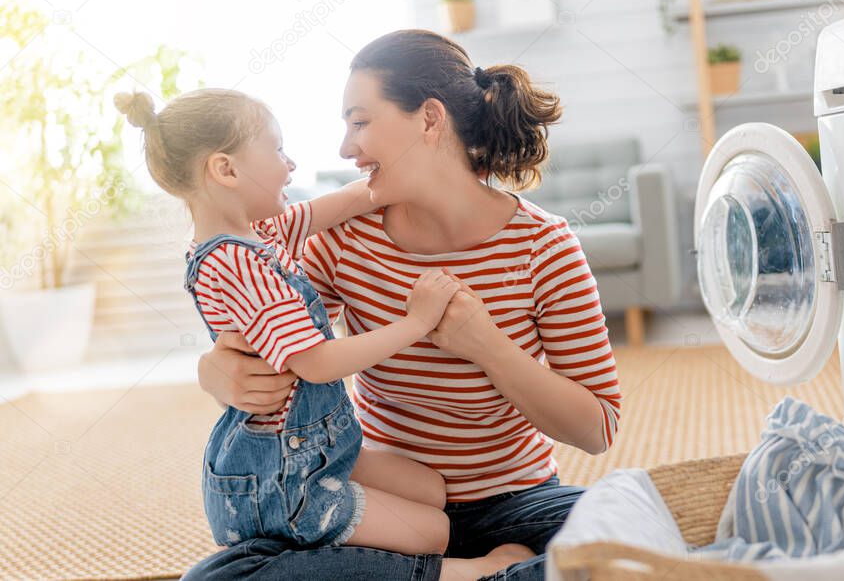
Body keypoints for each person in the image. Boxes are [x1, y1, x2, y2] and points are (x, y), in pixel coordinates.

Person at [187, 29, 621, 580]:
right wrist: (213, 371)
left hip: (511, 504)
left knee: (631, 531)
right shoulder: (345, 238)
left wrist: (486, 346)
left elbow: (598, 427)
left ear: (429, 119)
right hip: (378, 510)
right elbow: (275, 334)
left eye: (361, 121)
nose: (347, 147)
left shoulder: (544, 247)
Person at [116, 88, 534, 580]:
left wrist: (438, 171)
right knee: (432, 535)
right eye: (276, 150)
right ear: (226, 170)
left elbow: (338, 204)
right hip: (283, 476)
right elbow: (315, 361)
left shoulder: (260, 234)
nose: (290, 163)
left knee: (431, 490)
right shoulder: (234, 262)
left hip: (318, 447)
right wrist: (416, 324)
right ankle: (473, 574)